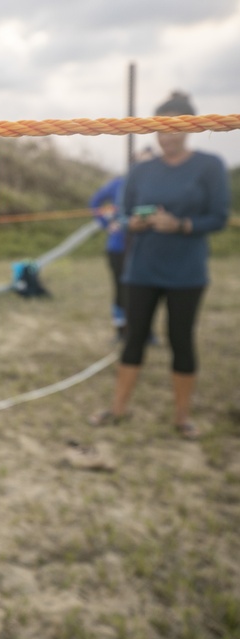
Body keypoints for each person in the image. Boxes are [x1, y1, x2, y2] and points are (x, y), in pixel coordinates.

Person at [89, 91, 230, 439]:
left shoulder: (210, 167)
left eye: (176, 127)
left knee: (181, 339)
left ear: (191, 127)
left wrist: (181, 225)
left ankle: (182, 417)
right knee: (134, 336)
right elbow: (124, 211)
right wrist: (132, 222)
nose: (168, 135)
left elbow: (219, 217)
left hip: (187, 271)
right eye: (162, 127)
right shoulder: (141, 170)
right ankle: (117, 408)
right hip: (142, 269)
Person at [89, 147, 156, 341]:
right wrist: (107, 223)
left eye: (149, 162)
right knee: (121, 289)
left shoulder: (158, 186)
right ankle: (120, 331)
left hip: (147, 246)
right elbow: (95, 202)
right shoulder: (119, 183)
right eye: (140, 161)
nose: (144, 166)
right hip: (119, 246)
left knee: (147, 290)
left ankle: (146, 331)